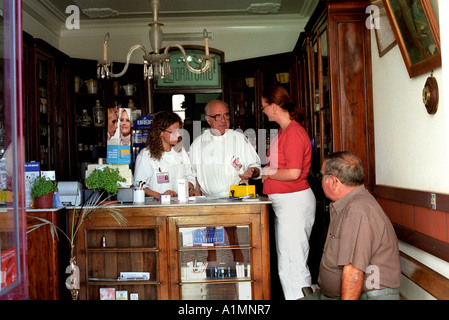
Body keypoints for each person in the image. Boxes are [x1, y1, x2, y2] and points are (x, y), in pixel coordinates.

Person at [301, 151, 401, 300]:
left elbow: (354, 272)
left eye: (321, 176)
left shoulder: (358, 210)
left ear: (334, 181)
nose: (320, 180)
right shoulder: (348, 204)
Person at [260, 84, 316, 300]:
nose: (263, 110)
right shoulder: (285, 130)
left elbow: (293, 173)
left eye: (264, 106)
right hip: (287, 204)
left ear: (274, 107)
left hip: (294, 203)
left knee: (294, 263)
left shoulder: (293, 132)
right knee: (288, 262)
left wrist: (269, 172)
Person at [189, 100, 261, 198]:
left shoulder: (239, 138)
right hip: (209, 201)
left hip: (237, 199)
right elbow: (194, 174)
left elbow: (256, 166)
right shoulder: (198, 144)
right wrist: (195, 193)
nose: (223, 120)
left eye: (226, 115)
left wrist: (252, 171)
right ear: (208, 119)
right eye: (217, 116)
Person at [134, 111, 198, 200]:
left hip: (180, 203)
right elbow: (139, 185)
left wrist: (190, 189)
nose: (178, 135)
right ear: (160, 132)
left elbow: (189, 176)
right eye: (173, 132)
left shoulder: (180, 151)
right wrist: (160, 196)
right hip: (156, 206)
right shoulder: (146, 155)